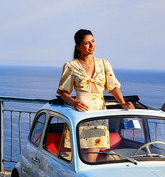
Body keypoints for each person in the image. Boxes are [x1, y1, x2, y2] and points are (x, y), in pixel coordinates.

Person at [57, 29, 134, 162]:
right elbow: (63, 91)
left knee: (91, 156)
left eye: (93, 41)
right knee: (79, 157)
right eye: (87, 43)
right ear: (78, 46)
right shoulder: (71, 66)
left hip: (98, 115)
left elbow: (113, 86)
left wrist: (122, 103)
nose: (92, 45)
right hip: (80, 114)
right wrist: (73, 102)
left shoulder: (103, 64)